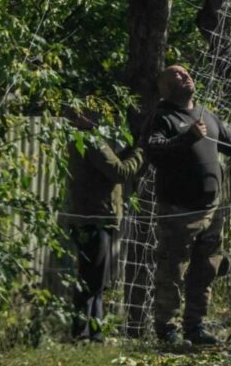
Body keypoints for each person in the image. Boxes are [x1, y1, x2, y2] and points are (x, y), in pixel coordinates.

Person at [142, 64, 231, 346]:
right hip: (179, 210)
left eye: (185, 72)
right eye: (176, 75)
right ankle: (167, 329)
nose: (185, 75)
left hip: (212, 209)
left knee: (206, 270)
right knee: (173, 270)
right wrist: (186, 137)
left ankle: (196, 326)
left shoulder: (206, 115)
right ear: (165, 88)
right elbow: (153, 152)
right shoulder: (163, 117)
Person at [58, 103, 146, 341]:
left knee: (96, 280)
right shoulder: (91, 141)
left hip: (90, 217)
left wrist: (131, 149)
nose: (98, 115)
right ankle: (82, 334)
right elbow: (120, 172)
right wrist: (140, 151)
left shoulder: (82, 139)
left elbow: (112, 163)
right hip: (95, 218)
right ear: (80, 116)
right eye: (91, 111)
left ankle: (93, 334)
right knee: (91, 281)